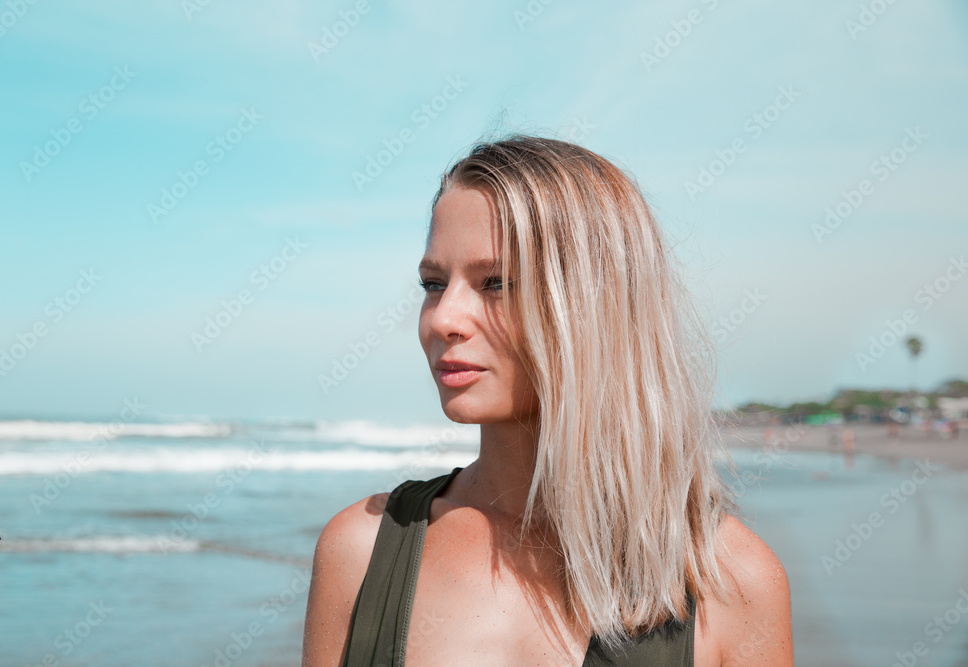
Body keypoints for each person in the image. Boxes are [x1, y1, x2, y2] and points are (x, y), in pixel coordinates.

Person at [302, 135, 793, 666]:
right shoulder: (362, 551)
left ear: (596, 303)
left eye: (496, 283)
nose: (443, 318)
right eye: (433, 283)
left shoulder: (730, 580)